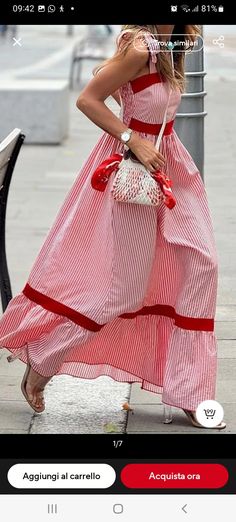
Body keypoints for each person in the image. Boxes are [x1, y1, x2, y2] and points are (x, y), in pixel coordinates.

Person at [0, 24, 226, 429]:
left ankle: (192, 393)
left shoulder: (175, 43)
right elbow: (89, 100)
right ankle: (44, 359)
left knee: (202, 265)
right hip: (131, 173)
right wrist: (131, 138)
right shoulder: (140, 47)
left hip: (171, 167)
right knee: (121, 292)